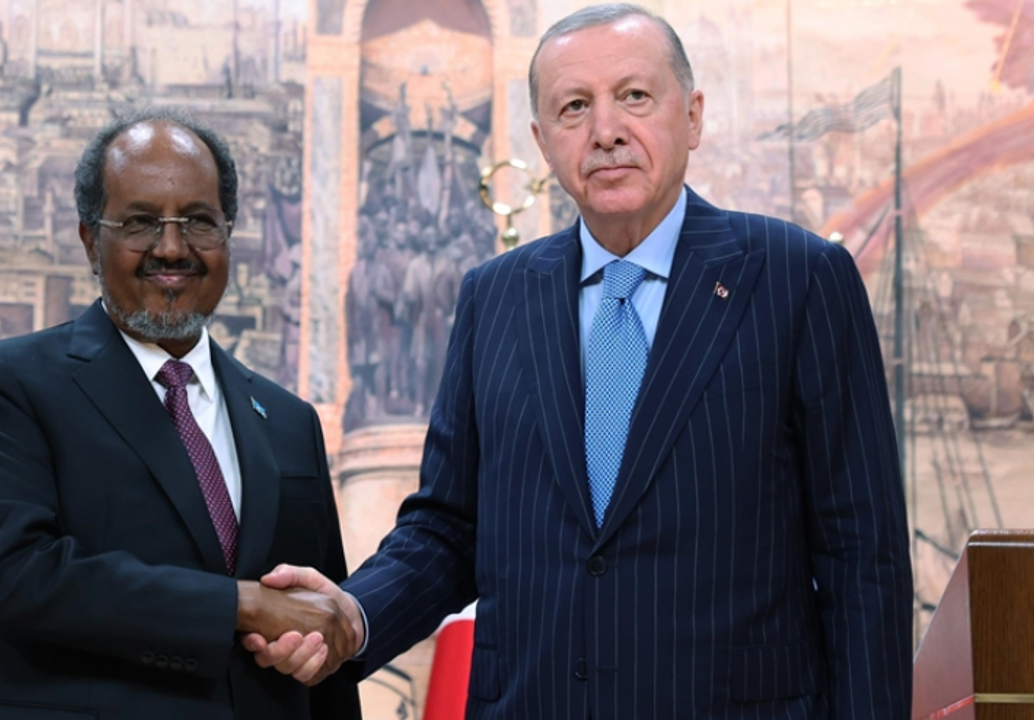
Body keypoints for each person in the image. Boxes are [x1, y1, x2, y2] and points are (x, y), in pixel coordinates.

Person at [246, 5, 913, 719]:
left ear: (692, 116)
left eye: (634, 96)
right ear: (542, 140)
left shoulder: (797, 279)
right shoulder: (494, 297)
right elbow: (449, 529)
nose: (606, 131)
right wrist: (352, 615)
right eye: (574, 107)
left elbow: (861, 556)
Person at [0, 107, 362, 720]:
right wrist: (240, 605)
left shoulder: (290, 421)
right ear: (92, 241)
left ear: (227, 236)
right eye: (140, 222)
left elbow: (319, 637)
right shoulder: (8, 384)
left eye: (198, 222)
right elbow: (15, 579)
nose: (171, 248)